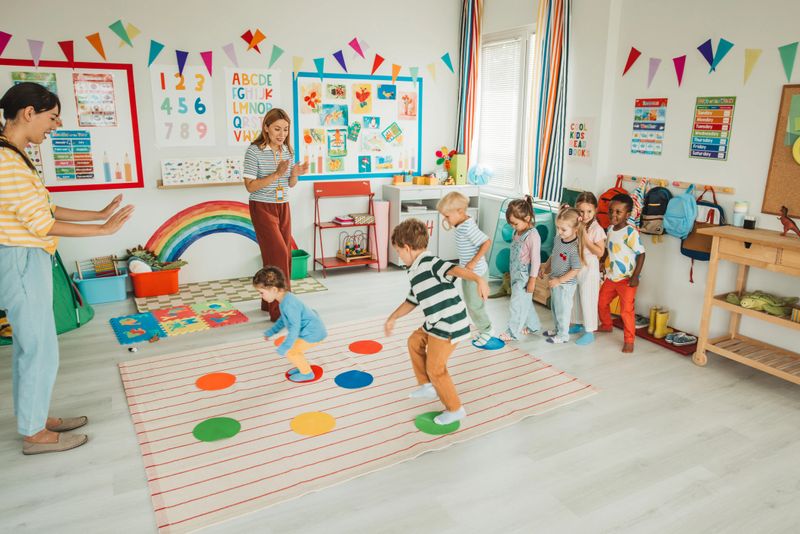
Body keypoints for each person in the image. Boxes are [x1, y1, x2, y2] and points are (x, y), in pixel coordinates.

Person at [0, 82, 134, 454]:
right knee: (38, 346)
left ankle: (36, 418)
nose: (55, 126)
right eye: (52, 118)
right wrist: (102, 230)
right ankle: (34, 433)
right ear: (29, 112)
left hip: (28, 256)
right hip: (20, 257)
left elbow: (48, 208)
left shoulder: (14, 155)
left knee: (35, 344)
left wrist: (100, 214)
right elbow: (41, 223)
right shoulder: (6, 161)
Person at [384, 218, 489, 426]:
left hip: (449, 324)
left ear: (407, 248)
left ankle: (455, 409)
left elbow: (454, 269)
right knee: (414, 341)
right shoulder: (414, 271)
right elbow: (411, 300)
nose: (398, 255)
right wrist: (393, 317)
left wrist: (478, 279)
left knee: (436, 369)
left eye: (398, 251)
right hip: (435, 322)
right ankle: (426, 386)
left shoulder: (430, 262)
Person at [243, 109, 309, 322]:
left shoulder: (287, 151)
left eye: (286, 129)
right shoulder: (254, 151)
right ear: (266, 128)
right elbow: (250, 187)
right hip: (262, 207)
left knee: (282, 257)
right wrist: (277, 173)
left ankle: (268, 302)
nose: (282, 134)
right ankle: (281, 311)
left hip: (283, 206)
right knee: (279, 256)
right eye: (277, 129)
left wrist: (296, 173)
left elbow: (289, 184)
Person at [437, 191, 494, 347]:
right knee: (471, 303)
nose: (445, 219)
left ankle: (487, 330)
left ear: (460, 212)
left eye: (447, 216)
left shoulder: (467, 227)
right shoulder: (461, 224)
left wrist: (473, 262)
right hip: (469, 273)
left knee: (475, 305)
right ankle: (483, 328)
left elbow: (487, 242)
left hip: (476, 273)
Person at [256, 266, 327, 383]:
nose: (261, 296)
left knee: (291, 352)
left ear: (273, 290)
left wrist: (285, 346)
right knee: (294, 350)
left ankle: (307, 373)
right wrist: (271, 332)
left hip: (313, 333)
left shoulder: (288, 304)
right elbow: (283, 320)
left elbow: (295, 328)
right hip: (308, 330)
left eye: (262, 293)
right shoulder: (285, 299)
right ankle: (302, 366)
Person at [598, 194, 646, 353]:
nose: (613, 215)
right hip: (612, 277)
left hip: (627, 280)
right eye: (611, 211)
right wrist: (602, 261)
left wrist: (635, 277)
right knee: (601, 301)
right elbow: (608, 248)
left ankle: (629, 340)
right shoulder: (610, 229)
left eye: (618, 212)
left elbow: (641, 254)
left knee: (626, 311)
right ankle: (606, 325)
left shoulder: (631, 233)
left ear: (628, 214)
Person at [499, 196, 542, 342]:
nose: (512, 226)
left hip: (525, 275)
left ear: (527, 218)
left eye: (515, 223)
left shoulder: (533, 236)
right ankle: (534, 325)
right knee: (525, 302)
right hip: (515, 272)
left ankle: (513, 331)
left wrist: (532, 280)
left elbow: (536, 260)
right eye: (511, 223)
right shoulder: (517, 232)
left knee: (516, 303)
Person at [539, 206, 585, 344]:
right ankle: (558, 330)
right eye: (558, 227)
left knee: (563, 311)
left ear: (575, 229)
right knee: (555, 308)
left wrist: (559, 280)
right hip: (555, 281)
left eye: (563, 229)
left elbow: (576, 269)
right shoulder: (559, 239)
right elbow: (554, 255)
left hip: (565, 285)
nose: (559, 231)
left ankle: (563, 335)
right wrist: (546, 266)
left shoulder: (574, 247)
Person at [570, 192, 606, 345]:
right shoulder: (575, 224)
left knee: (587, 297)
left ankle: (589, 330)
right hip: (576, 265)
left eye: (589, 211)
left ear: (595, 210)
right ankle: (578, 322)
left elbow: (600, 252)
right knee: (575, 296)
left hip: (590, 267)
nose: (585, 215)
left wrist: (585, 237)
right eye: (581, 211)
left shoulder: (596, 229)